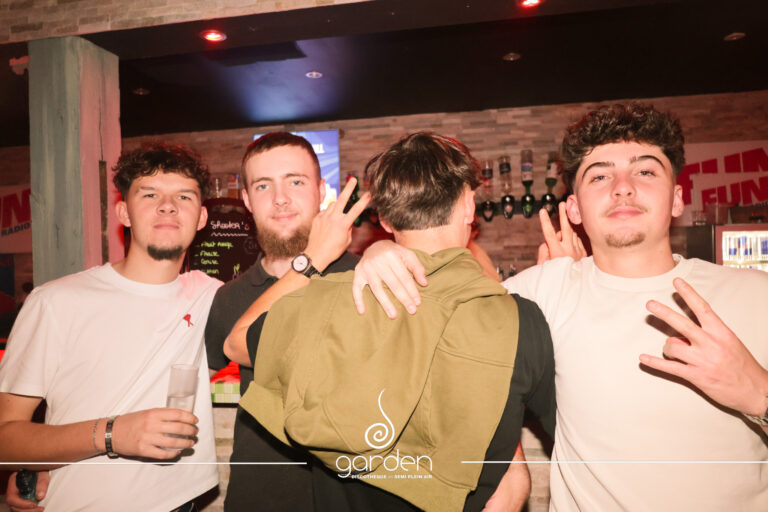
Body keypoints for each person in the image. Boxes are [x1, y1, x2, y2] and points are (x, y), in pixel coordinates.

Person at [352, 104, 768, 510]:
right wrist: (382, 252)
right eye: (600, 175)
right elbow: (441, 305)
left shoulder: (756, 294)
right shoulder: (545, 292)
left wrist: (759, 395)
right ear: (574, 209)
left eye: (645, 171)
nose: (623, 186)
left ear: (677, 199)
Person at [232, 132, 556, 511]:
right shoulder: (521, 320)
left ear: (384, 219)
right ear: (469, 206)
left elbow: (237, 340)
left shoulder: (316, 303)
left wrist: (331, 255)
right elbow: (582, 439)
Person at [0, 143, 222, 511]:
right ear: (124, 212)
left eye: (184, 196)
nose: (167, 206)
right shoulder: (56, 302)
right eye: (149, 194)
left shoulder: (213, 296)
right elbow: (5, 440)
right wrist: (110, 434)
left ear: (201, 218)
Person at [203, 132, 364, 511]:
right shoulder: (229, 298)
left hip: (353, 496)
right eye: (263, 185)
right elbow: (188, 388)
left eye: (296, 182)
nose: (280, 198)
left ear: (321, 191)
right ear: (246, 199)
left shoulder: (367, 277)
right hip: (259, 498)